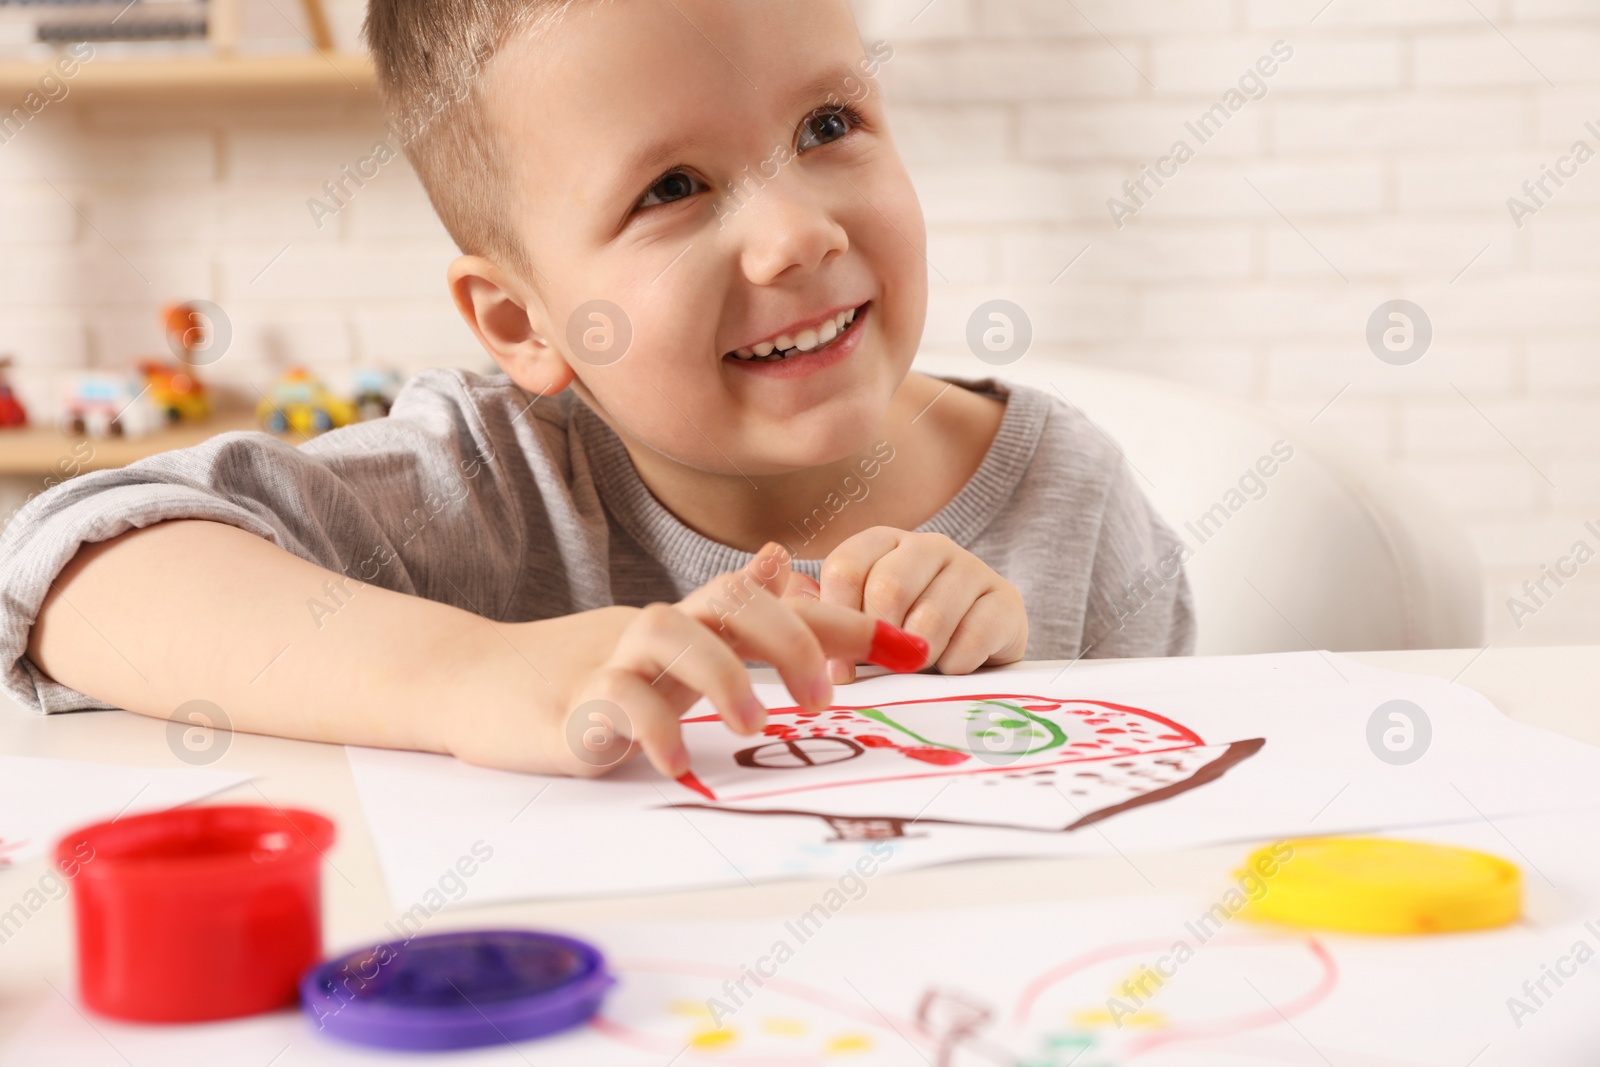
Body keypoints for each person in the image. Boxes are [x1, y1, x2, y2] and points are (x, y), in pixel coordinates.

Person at [0, 0, 1192, 781]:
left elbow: (1169, 822)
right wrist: (469, 676)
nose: (793, 234)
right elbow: (67, 557)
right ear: (521, 321)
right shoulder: (488, 480)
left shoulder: (1072, 498)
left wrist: (1008, 694)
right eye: (672, 187)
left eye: (829, 121)